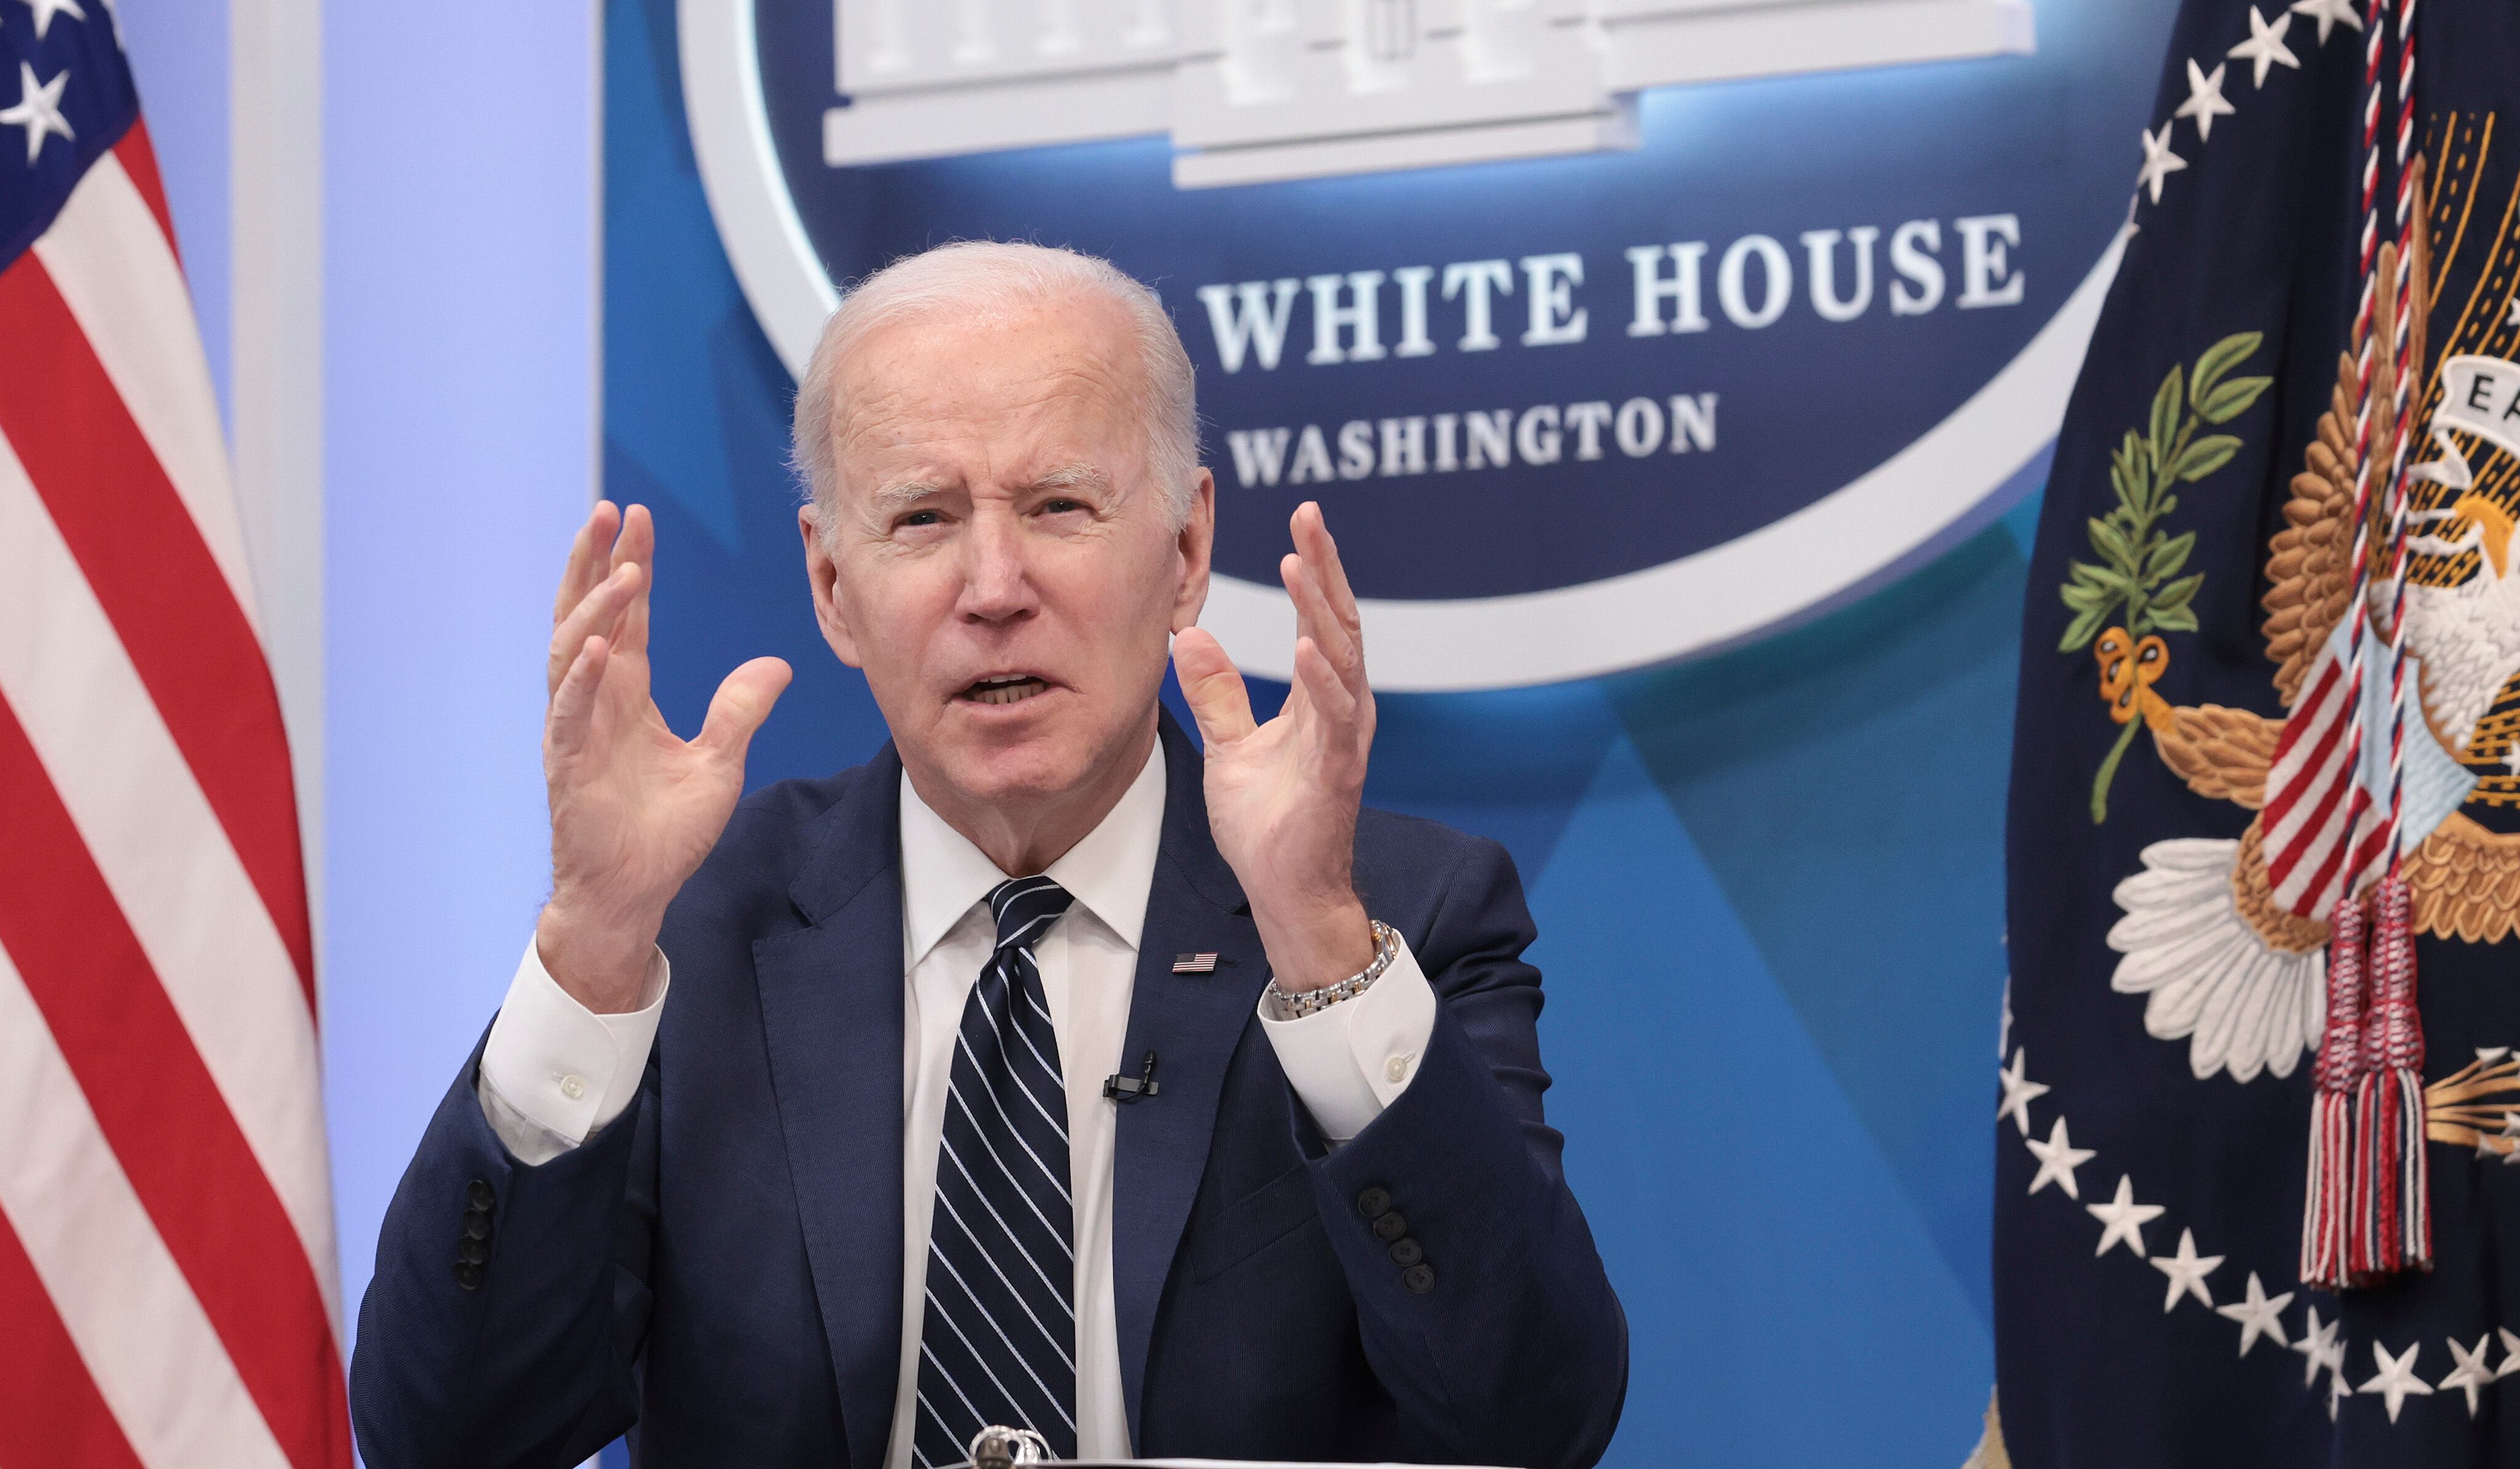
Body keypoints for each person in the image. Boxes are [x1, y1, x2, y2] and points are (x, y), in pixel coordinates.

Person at [351, 242, 1628, 1468]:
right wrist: (589, 948)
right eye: (921, 517)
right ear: (834, 588)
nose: (994, 585)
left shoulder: (1394, 915)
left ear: (1185, 551)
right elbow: (449, 1439)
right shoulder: (689, 935)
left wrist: (1314, 945)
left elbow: (1533, 1419)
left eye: (1058, 506)